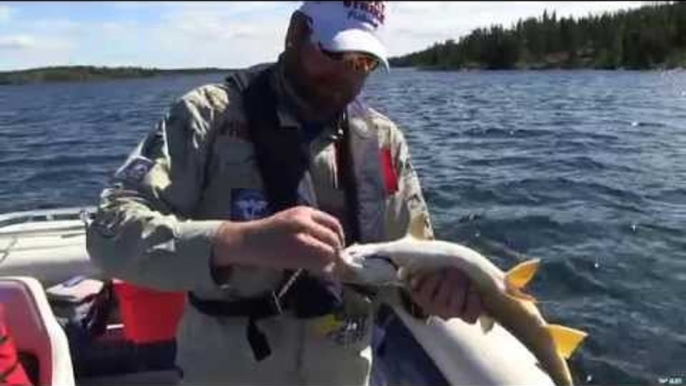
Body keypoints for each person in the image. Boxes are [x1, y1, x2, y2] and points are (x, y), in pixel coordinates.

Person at [86, 1, 482, 385]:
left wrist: (433, 293)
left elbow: (413, 257)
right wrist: (237, 241)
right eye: (335, 53)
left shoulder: (384, 141)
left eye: (363, 63)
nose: (347, 75)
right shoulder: (206, 116)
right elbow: (109, 229)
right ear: (296, 32)